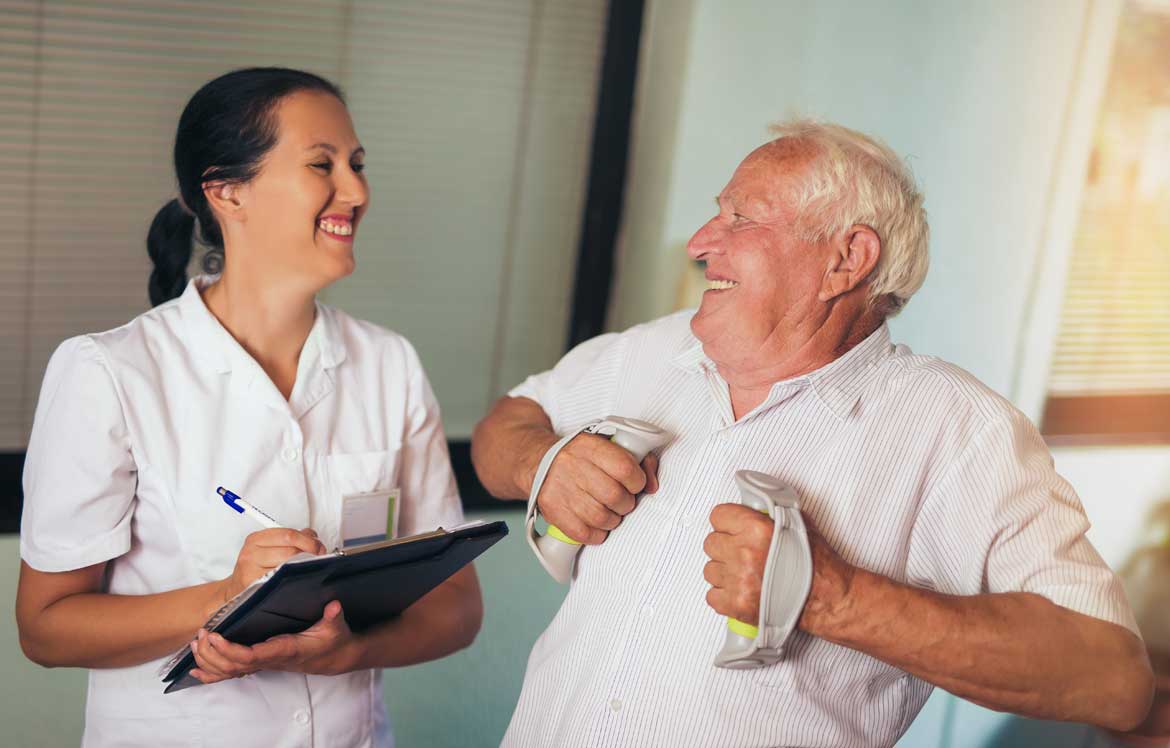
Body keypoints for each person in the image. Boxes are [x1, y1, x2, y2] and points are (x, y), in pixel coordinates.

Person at [471, 120, 1155, 747]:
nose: (702, 243)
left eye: (741, 219)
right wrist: (542, 462)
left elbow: (1115, 680)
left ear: (846, 260)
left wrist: (837, 599)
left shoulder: (959, 431)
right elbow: (506, 422)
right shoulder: (650, 351)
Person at [15, 67, 482, 747]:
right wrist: (226, 595)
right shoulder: (109, 372)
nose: (355, 191)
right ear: (227, 192)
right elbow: (46, 628)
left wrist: (342, 653)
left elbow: (456, 609)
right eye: (322, 164)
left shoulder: (390, 365)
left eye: (356, 164)